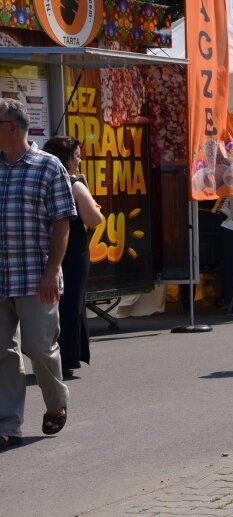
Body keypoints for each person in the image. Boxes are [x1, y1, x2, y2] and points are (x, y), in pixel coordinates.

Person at [0, 99, 77, 449]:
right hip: (1, 278)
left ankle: (56, 401)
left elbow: (62, 223)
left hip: (36, 277)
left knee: (38, 348)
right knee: (2, 352)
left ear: (11, 128)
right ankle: (8, 424)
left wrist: (52, 272)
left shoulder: (48, 167)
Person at [42, 136, 103, 378]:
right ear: (66, 159)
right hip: (73, 250)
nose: (80, 161)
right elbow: (93, 219)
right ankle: (67, 357)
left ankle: (48, 353)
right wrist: (97, 208)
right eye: (77, 156)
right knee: (70, 304)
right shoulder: (74, 183)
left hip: (44, 250)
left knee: (48, 306)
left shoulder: (42, 180)